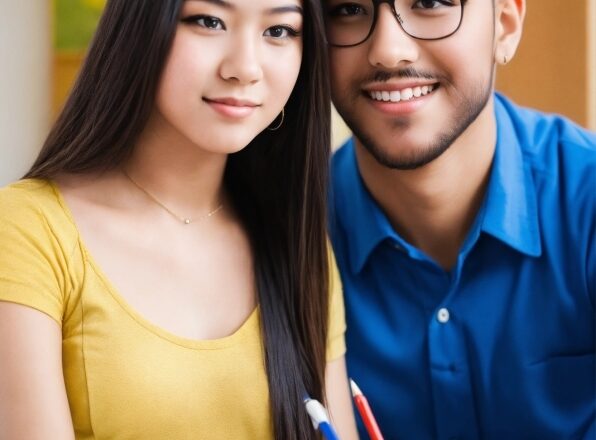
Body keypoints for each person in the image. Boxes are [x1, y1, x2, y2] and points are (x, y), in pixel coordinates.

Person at [0, 1, 359, 439]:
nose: (245, 67)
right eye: (209, 21)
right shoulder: (29, 230)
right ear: (143, 26)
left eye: (279, 31)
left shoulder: (297, 245)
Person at [324, 0, 595, 438]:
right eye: (349, 9)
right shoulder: (287, 240)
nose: (389, 51)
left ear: (505, 23)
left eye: (431, 3)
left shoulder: (586, 200)